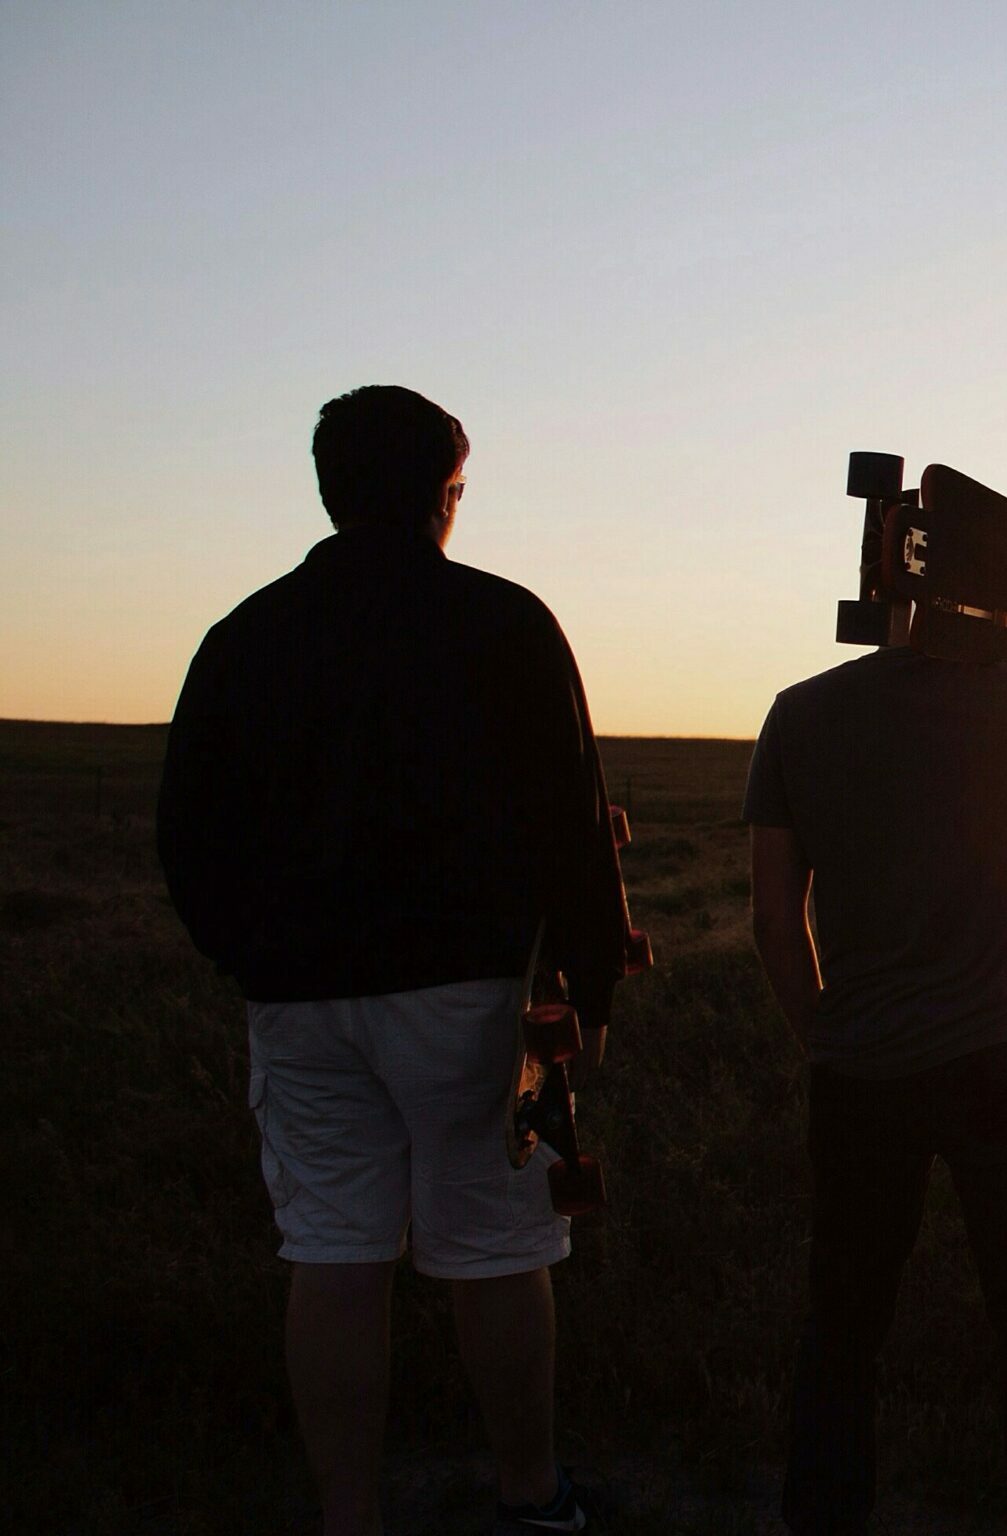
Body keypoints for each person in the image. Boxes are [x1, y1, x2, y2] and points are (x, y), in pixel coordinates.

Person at [158, 385, 631, 1535]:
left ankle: (349, 1519)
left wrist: (253, 958)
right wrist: (591, 985)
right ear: (443, 494)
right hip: (466, 999)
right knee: (496, 1249)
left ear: (328, 490)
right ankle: (532, 1500)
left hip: (300, 1001)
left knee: (332, 1253)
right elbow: (572, 817)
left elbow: (185, 833)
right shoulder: (505, 620)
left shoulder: (244, 636)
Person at [749, 527, 1007, 1536]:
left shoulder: (801, 713)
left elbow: (773, 916)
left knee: (843, 1326)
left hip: (862, 1070)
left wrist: (825, 1039)